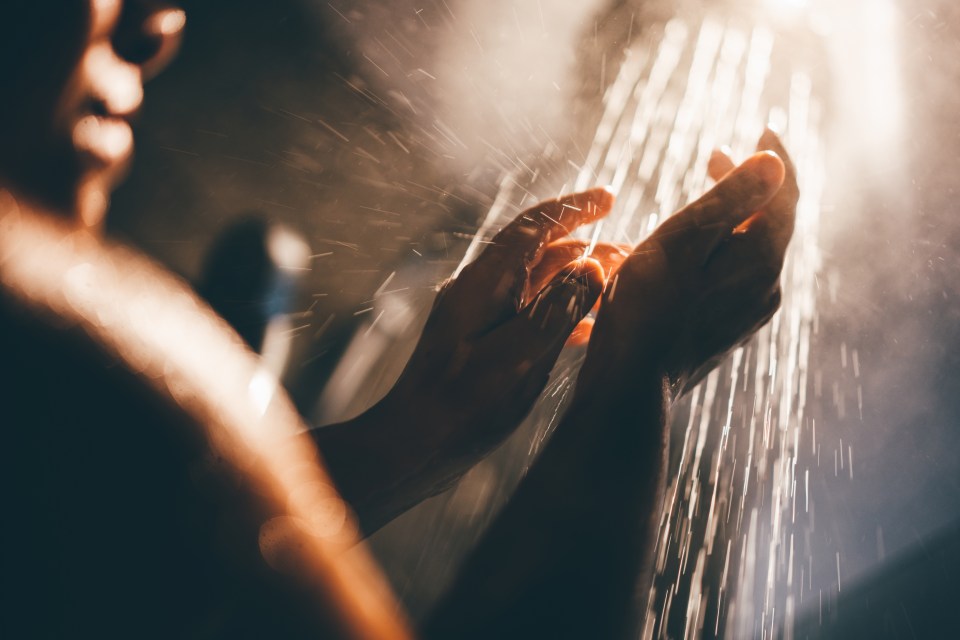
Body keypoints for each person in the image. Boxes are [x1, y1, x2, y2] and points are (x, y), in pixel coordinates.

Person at [0, 1, 798, 638]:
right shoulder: (53, 341)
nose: (158, 23)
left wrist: (426, 422)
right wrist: (640, 372)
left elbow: (128, 570)